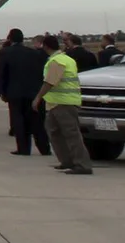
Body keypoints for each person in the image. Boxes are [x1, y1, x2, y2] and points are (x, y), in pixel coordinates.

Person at [35, 34, 91, 174]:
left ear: (45, 46)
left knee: (71, 134)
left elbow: (50, 82)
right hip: (56, 103)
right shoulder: (66, 59)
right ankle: (67, 161)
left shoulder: (57, 61)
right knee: (54, 132)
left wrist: (37, 98)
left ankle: (82, 165)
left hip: (63, 103)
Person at [0, 27, 51, 156]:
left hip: (14, 92)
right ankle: (44, 148)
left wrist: (1, 91)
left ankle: (23, 148)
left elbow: (1, 73)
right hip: (33, 91)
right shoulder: (34, 53)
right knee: (37, 121)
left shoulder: (5, 52)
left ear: (10, 39)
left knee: (19, 120)